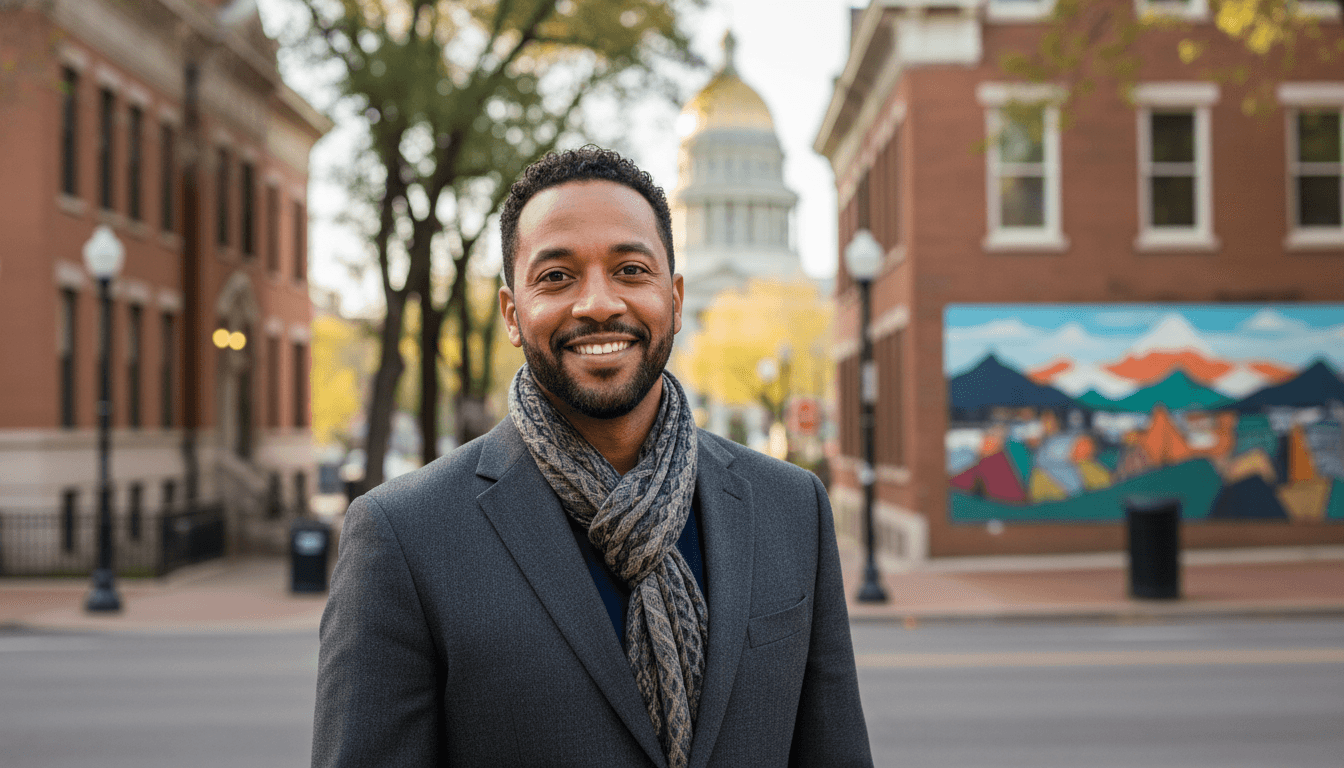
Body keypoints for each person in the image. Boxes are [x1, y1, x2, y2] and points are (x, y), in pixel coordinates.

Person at [312, 147, 872, 768]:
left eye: (631, 270)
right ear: (511, 313)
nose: (599, 303)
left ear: (677, 299)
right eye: (557, 276)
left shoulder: (790, 506)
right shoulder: (404, 536)